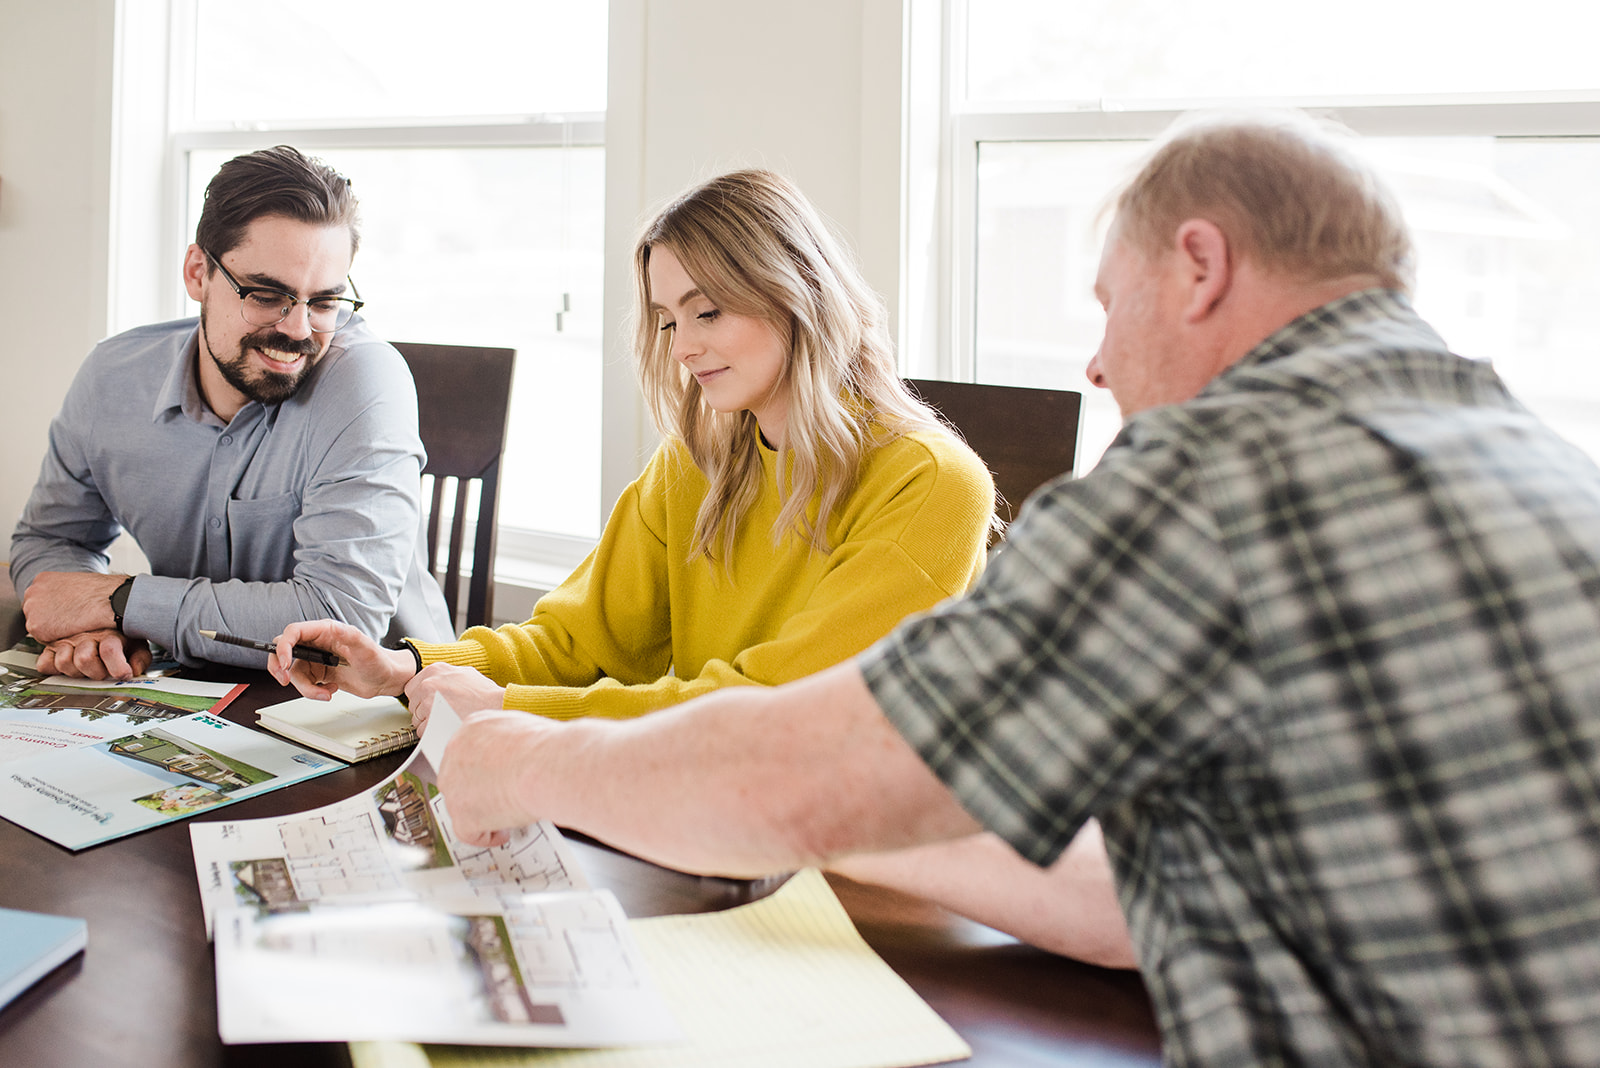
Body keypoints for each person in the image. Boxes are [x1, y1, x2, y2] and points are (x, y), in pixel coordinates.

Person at [427, 111, 1600, 1066]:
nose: (1093, 364)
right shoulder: (1536, 466)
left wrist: (523, 759)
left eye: (1104, 304)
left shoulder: (1219, 471)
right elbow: (1132, 899)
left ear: (1199, 267)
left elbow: (821, 771)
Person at [271, 168, 1135, 969]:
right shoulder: (697, 461)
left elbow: (776, 717)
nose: (682, 345)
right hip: (695, 854)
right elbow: (572, 639)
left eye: (708, 310)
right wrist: (410, 667)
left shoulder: (933, 486)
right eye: (666, 319)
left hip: (866, 896)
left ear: (797, 292)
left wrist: (510, 712)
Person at [11, 145, 451, 681]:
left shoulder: (366, 380)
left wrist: (124, 601)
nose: (296, 329)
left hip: (375, 722)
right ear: (198, 273)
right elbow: (52, 540)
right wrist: (91, 627)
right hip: (187, 701)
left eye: (324, 303)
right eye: (267, 295)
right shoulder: (112, 377)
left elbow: (340, 623)